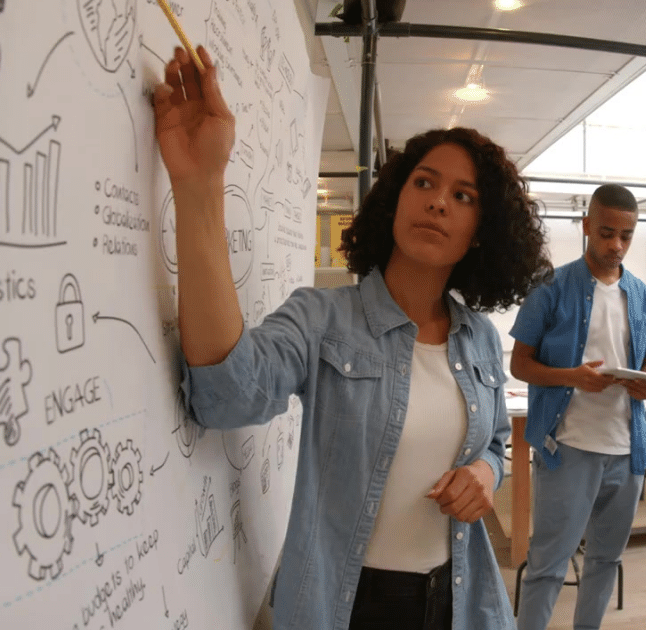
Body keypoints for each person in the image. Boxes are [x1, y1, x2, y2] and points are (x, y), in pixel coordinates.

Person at [153, 46, 551, 630]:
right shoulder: (323, 320)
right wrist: (199, 184)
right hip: (346, 606)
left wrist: (487, 474)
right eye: (424, 182)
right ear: (395, 200)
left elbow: (493, 440)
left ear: (480, 233)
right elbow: (226, 395)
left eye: (463, 197)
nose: (439, 200)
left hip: (459, 600)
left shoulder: (480, 340)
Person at [509, 184, 646, 630]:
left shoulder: (642, 295)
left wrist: (645, 385)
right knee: (548, 564)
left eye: (627, 236)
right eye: (606, 233)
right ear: (586, 226)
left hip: (627, 450)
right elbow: (520, 364)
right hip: (569, 448)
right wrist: (573, 377)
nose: (616, 245)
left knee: (604, 561)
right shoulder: (550, 288)